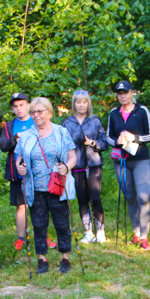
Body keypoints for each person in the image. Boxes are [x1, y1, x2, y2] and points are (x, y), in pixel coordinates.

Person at [14, 97, 78, 274]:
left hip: (57, 185)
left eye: (40, 111)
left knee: (62, 222)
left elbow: (73, 156)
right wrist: (20, 168)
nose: (36, 115)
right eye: (33, 112)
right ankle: (42, 258)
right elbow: (19, 159)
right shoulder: (26, 136)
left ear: (49, 113)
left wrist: (67, 167)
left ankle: (65, 256)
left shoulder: (61, 132)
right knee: (39, 224)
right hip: (36, 187)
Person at [105, 80, 150, 250]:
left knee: (143, 197)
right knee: (130, 196)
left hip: (140, 159)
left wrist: (134, 138)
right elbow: (108, 137)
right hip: (121, 161)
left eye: (125, 92)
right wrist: (117, 140)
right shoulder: (113, 114)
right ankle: (136, 233)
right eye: (119, 93)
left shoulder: (141, 111)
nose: (122, 96)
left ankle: (145, 236)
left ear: (132, 93)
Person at [62, 89, 108, 243]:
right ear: (74, 104)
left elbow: (104, 143)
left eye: (84, 102)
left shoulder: (95, 121)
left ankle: (100, 230)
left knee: (95, 197)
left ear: (88, 103)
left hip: (94, 164)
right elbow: (63, 144)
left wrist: (93, 143)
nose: (81, 105)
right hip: (77, 166)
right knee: (82, 198)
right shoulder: (68, 123)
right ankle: (88, 232)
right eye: (78, 102)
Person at [0, 93, 35, 250]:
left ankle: (42, 235)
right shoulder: (9, 126)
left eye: (21, 105)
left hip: (37, 171)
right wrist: (15, 138)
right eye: (15, 106)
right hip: (17, 172)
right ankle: (21, 238)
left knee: (40, 204)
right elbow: (3, 146)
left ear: (28, 105)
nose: (19, 109)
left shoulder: (36, 120)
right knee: (21, 205)